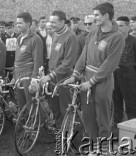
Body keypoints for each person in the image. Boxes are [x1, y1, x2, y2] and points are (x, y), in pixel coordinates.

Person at [63, 2, 125, 156]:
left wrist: (91, 82)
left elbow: (110, 64)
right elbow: (83, 56)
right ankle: (94, 146)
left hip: (102, 81)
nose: (94, 18)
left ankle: (104, 149)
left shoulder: (117, 37)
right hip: (85, 78)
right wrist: (75, 75)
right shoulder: (92, 33)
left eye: (97, 15)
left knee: (102, 118)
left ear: (106, 16)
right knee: (88, 116)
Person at [40, 10, 79, 128]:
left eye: (54, 22)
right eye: (50, 21)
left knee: (65, 108)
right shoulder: (56, 34)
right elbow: (54, 58)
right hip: (53, 76)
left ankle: (67, 136)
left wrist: (51, 75)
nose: (51, 24)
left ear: (62, 22)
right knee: (54, 106)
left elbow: (68, 63)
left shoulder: (71, 37)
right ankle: (58, 131)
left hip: (64, 78)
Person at [14, 12, 44, 108]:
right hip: (18, 74)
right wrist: (14, 75)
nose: (17, 25)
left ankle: (37, 122)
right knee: (22, 104)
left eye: (20, 23)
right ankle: (24, 122)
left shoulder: (36, 39)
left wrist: (34, 79)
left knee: (31, 103)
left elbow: (38, 61)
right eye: (17, 23)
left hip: (28, 74)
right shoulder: (19, 38)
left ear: (28, 24)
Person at [113, 16, 136, 136]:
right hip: (114, 73)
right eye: (117, 25)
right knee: (116, 100)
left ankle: (133, 127)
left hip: (128, 74)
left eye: (121, 25)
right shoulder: (114, 40)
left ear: (127, 26)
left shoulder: (133, 40)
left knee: (131, 102)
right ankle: (117, 127)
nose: (118, 28)